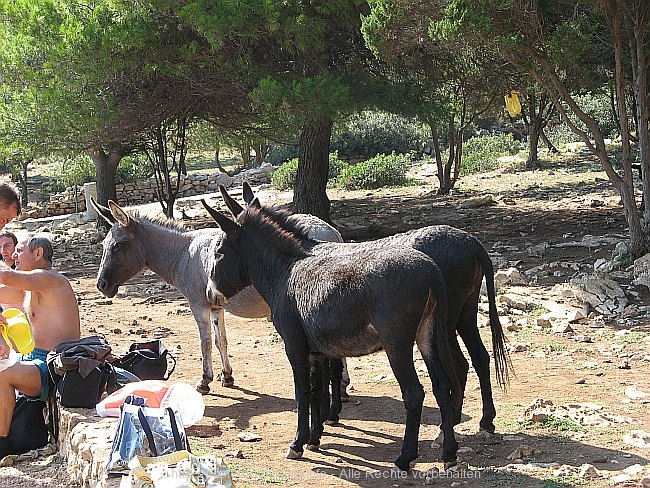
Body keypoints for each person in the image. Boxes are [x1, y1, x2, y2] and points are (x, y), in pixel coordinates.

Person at [0, 234, 81, 458]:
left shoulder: (49, 279)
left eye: (20, 250)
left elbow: (5, 276)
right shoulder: (30, 286)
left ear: (38, 254)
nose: (14, 255)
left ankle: (2, 447)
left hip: (52, 366)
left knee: (2, 374)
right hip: (33, 360)